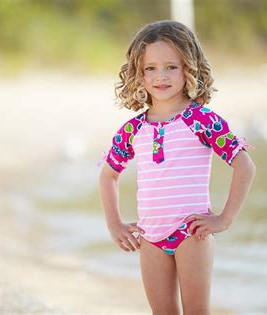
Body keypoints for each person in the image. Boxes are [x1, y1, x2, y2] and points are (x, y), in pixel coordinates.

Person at [98, 20, 256, 314]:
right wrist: (115, 224)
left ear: (189, 68)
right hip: (150, 237)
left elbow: (244, 165)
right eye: (151, 68)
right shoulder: (133, 130)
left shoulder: (201, 120)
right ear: (138, 73)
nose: (161, 76)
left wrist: (224, 219)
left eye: (171, 67)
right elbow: (108, 175)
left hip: (191, 234)